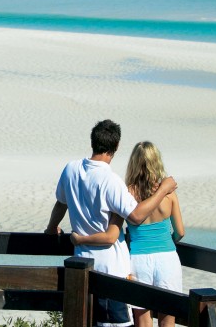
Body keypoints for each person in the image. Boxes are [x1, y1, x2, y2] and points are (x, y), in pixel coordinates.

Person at [45, 120, 177, 327]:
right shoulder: (111, 181)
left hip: (81, 266)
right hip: (111, 270)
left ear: (93, 142)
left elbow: (60, 204)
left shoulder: (70, 169)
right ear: (116, 147)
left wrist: (51, 228)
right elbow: (135, 216)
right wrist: (163, 189)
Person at [124, 141, 185, 327]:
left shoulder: (128, 192)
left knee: (142, 321)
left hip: (139, 259)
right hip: (167, 257)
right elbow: (180, 232)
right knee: (168, 318)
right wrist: (169, 240)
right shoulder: (168, 193)